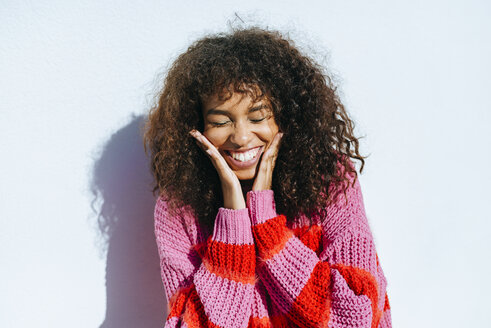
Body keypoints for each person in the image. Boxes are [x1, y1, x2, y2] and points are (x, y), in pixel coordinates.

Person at [143, 26, 392, 328]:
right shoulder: (178, 210)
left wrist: (266, 225)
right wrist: (233, 222)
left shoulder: (330, 180)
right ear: (197, 128)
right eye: (221, 121)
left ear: (285, 114)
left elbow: (355, 317)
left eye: (258, 117)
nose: (242, 136)